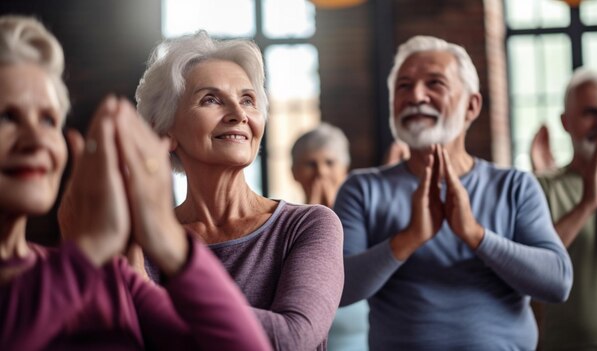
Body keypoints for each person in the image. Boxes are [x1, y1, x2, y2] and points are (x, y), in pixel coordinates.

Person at [0, 15, 271, 350]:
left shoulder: (97, 273)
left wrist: (169, 240)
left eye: (47, 120)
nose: (36, 140)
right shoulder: (82, 263)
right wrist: (87, 251)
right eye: (7, 117)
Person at [334, 35, 573, 350]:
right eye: (403, 86)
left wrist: (475, 235)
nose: (416, 95)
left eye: (435, 83)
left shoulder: (515, 186)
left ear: (472, 105)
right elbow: (337, 289)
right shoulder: (362, 189)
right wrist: (408, 239)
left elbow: (557, 283)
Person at [135, 31, 344, 351]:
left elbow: (291, 339)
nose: (239, 113)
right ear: (166, 131)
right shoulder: (143, 245)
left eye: (248, 99)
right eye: (211, 99)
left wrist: (150, 297)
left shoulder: (309, 225)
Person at [535, 67, 597, 350]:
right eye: (590, 112)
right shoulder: (538, 187)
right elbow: (532, 267)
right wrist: (587, 204)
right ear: (565, 122)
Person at [291, 122, 369, 351]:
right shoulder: (281, 224)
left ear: (344, 169)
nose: (321, 172)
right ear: (294, 172)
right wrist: (310, 217)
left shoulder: (362, 224)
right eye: (310, 164)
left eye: (330, 163)